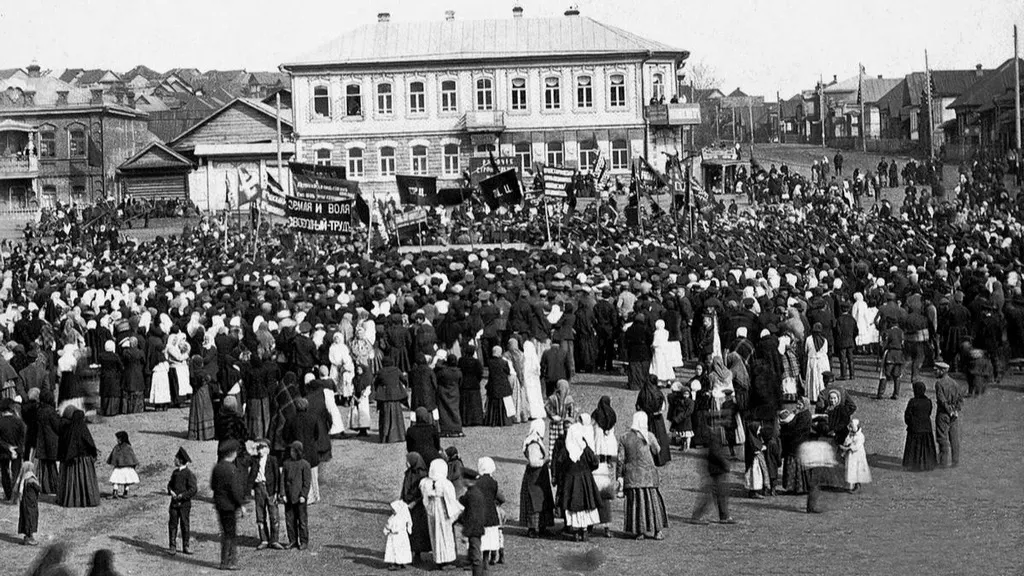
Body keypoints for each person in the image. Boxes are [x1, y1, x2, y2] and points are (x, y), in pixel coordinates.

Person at [617, 412, 668, 540]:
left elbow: (620, 459)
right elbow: (657, 450)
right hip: (648, 475)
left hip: (632, 475)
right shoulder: (648, 436)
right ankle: (657, 531)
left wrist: (619, 476)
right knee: (652, 503)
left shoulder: (624, 437)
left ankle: (639, 531)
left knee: (636, 504)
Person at [557, 422, 602, 541]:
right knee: (585, 505)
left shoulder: (566, 449)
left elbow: (559, 464)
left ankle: (575, 531)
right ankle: (585, 530)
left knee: (573, 505)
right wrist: (587, 470)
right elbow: (595, 462)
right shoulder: (584, 448)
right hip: (585, 480)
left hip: (570, 480)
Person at [420, 458, 463, 569]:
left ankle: (438, 558)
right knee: (445, 534)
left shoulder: (425, 483)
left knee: (434, 533)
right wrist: (457, 511)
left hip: (432, 510)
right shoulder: (445, 484)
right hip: (443, 510)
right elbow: (451, 500)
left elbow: (424, 499)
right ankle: (446, 560)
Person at [211, 439, 247, 570]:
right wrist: (241, 505)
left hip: (219, 505)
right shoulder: (232, 469)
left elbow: (212, 486)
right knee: (230, 534)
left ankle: (224, 561)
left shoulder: (217, 467)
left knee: (225, 533)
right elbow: (235, 490)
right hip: (230, 506)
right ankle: (229, 562)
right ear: (232, 454)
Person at [56, 407, 100, 508]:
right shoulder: (83, 429)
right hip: (83, 461)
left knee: (72, 481)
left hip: (71, 462)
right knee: (85, 480)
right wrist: (93, 454)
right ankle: (87, 499)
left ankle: (70, 499)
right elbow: (90, 444)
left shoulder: (68, 430)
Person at [519, 419, 555, 539]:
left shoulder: (535, 439)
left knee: (541, 500)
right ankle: (533, 528)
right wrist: (545, 461)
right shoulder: (533, 443)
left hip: (539, 475)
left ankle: (541, 525)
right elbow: (534, 462)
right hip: (535, 475)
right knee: (535, 502)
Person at [690, 432, 735, 525]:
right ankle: (696, 516)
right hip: (716, 469)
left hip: (717, 469)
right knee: (711, 494)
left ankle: (724, 515)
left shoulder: (717, 434)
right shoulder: (715, 435)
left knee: (721, 492)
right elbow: (715, 453)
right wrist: (725, 463)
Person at [248, 438, 283, 550]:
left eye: (262, 448)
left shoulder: (272, 460)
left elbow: (277, 476)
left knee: (274, 515)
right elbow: (251, 475)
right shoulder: (254, 460)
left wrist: (278, 492)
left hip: (270, 489)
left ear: (268, 449)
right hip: (259, 488)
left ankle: (274, 540)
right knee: (260, 515)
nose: (260, 451)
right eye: (258, 448)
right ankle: (264, 539)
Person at [590, 396, 618, 536]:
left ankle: (589, 523)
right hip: (608, 450)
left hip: (598, 449)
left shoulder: (596, 414)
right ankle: (606, 527)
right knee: (605, 497)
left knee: (594, 494)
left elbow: (592, 428)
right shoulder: (612, 414)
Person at [400, 453, 432, 564]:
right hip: (408, 503)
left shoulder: (422, 474)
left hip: (418, 506)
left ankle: (418, 553)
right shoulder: (409, 472)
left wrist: (415, 502)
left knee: (418, 530)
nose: (406, 462)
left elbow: (423, 492)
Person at [475, 457, 506, 566]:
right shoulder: (493, 483)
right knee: (489, 537)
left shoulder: (476, 482)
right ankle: (486, 559)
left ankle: (479, 559)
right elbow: (500, 497)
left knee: (482, 538)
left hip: (480, 512)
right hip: (491, 513)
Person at [282, 440, 311, 550]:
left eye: (293, 451)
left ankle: (304, 541)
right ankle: (292, 540)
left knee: (302, 521)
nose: (291, 453)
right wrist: (283, 494)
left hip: (300, 498)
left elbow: (306, 482)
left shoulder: (305, 465)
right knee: (290, 521)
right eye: (290, 451)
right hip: (289, 497)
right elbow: (282, 480)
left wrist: (303, 495)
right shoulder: (286, 464)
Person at [167, 447, 197, 556]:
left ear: (180, 460)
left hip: (184, 505)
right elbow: (170, 485)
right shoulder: (175, 473)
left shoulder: (189, 474)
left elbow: (193, 489)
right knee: (172, 524)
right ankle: (172, 546)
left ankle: (186, 546)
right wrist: (171, 492)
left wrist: (182, 496)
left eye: (176, 458)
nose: (174, 460)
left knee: (185, 525)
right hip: (174, 504)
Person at [903, 381, 938, 472]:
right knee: (926, 448)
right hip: (926, 428)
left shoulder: (912, 401)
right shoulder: (928, 401)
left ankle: (913, 465)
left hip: (914, 429)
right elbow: (929, 413)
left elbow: (907, 415)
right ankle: (927, 464)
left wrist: (910, 423)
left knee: (914, 448)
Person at [636, 376, 671, 466]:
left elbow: (638, 406)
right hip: (657, 418)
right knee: (659, 437)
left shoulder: (643, 392)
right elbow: (662, 406)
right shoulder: (658, 393)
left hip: (645, 418)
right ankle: (661, 458)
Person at [933, 362, 963, 468]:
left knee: (942, 438)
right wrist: (955, 411)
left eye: (936, 370)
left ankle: (943, 462)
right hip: (954, 415)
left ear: (943, 371)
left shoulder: (939, 384)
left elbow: (942, 400)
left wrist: (949, 410)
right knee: (954, 438)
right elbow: (960, 400)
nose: (934, 372)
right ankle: (955, 461)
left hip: (943, 414)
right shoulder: (955, 383)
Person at [373, 357, 409, 443]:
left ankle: (385, 437)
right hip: (395, 397)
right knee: (397, 417)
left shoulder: (381, 372)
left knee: (385, 418)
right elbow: (404, 380)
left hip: (384, 398)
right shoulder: (396, 370)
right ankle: (399, 436)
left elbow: (375, 383)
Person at [459, 481, 487, 576]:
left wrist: (465, 533)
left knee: (476, 556)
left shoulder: (472, 495)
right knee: (474, 554)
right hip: (476, 529)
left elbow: (472, 516)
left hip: (474, 530)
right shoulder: (475, 492)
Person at [0, 397, 25, 500]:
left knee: (4, 472)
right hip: (17, 451)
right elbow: (22, 438)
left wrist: (8, 447)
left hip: (3, 451)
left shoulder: (0, 422)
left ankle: (8, 493)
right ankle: (14, 493)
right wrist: (17, 449)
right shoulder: (19, 422)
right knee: (16, 472)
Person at [838, 419, 872, 492]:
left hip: (857, 456)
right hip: (851, 456)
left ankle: (857, 485)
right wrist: (845, 446)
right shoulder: (850, 434)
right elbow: (847, 441)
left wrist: (846, 448)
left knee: (857, 469)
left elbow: (856, 447)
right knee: (852, 469)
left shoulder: (860, 436)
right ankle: (852, 485)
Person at [106, 430, 139, 499]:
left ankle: (121, 492)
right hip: (123, 467)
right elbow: (132, 457)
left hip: (121, 468)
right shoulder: (124, 447)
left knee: (120, 480)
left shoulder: (121, 448)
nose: (117, 440)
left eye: (118, 438)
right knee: (121, 480)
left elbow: (114, 456)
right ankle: (120, 492)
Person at [188, 364, 216, 441]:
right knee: (205, 413)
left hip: (195, 395)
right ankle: (206, 434)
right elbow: (209, 378)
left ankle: (195, 433)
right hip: (204, 393)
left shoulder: (192, 373)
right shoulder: (203, 373)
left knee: (196, 413)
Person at [384, 500, 413, 571]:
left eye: (393, 510)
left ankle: (398, 563)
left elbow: (406, 524)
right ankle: (397, 562)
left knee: (399, 549)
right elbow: (388, 525)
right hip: (394, 537)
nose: (392, 511)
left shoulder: (401, 518)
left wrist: (391, 530)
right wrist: (387, 529)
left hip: (399, 537)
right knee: (394, 550)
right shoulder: (392, 518)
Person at [15, 460, 40, 545]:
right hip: (31, 503)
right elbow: (38, 488)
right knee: (30, 519)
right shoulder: (31, 479)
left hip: (25, 502)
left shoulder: (24, 478)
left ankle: (27, 536)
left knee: (26, 518)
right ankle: (29, 538)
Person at [805, 323, 830, 403]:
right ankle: (822, 396)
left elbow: (806, 350)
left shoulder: (809, 339)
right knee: (821, 379)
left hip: (812, 360)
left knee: (812, 378)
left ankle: (813, 396)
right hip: (822, 361)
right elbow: (825, 351)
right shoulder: (824, 340)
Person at [666, 383, 695, 450]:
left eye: (687, 394)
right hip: (681, 420)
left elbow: (689, 411)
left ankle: (687, 446)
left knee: (687, 435)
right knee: (682, 435)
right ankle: (683, 446)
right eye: (684, 394)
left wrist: (682, 416)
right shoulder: (679, 401)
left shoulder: (691, 402)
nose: (685, 396)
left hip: (686, 419)